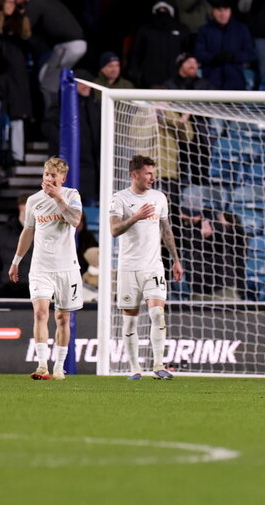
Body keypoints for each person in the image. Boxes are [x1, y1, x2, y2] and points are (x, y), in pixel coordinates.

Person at [8, 157, 84, 381]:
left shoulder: (72, 195)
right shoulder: (33, 201)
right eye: (46, 174)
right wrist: (16, 261)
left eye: (53, 175)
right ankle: (42, 365)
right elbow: (28, 232)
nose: (48, 179)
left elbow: (75, 220)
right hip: (40, 267)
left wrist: (58, 197)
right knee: (40, 313)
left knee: (62, 318)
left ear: (62, 178)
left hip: (66, 268)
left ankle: (59, 366)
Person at [109, 155, 184, 380]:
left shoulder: (159, 197)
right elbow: (114, 230)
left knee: (157, 314)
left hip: (153, 267)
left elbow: (166, 230)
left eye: (153, 172)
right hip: (128, 268)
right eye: (148, 173)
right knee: (130, 319)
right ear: (135, 175)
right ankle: (134, 368)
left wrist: (176, 259)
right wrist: (135, 217)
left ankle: (159, 365)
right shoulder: (119, 198)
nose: (153, 177)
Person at [0, 193, 33, 298]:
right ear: (21, 206)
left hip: (33, 288)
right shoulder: (3, 232)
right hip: (8, 287)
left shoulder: (41, 232)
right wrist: (1, 278)